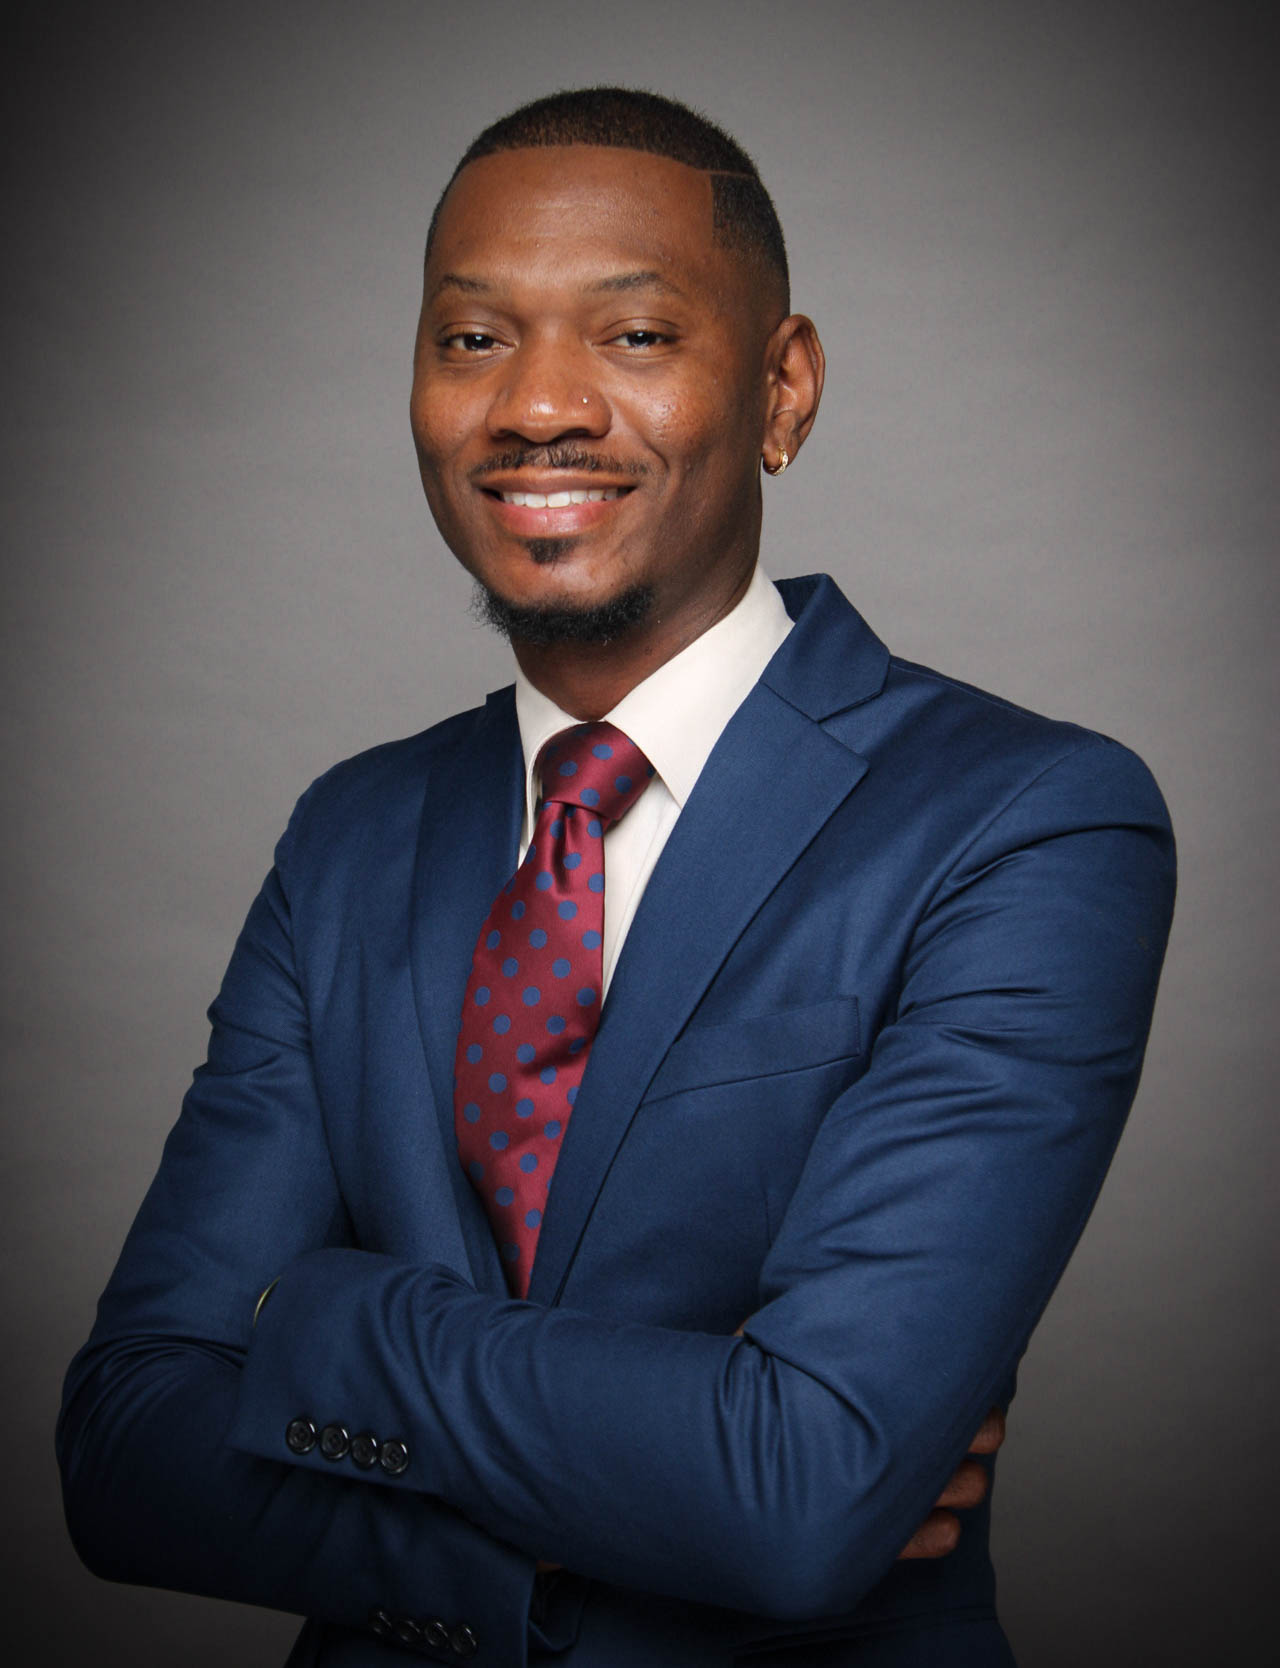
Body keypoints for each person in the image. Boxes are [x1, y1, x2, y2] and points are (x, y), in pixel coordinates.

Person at [58, 88, 1175, 1667]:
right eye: (472, 339)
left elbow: (798, 1496)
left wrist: (308, 1322)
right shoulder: (350, 837)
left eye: (635, 336)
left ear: (783, 388)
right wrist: (629, 1494)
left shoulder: (1023, 821)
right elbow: (125, 1452)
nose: (536, 406)